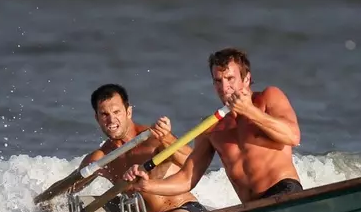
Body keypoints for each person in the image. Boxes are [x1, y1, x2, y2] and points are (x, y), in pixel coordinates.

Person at [123, 47, 303, 204]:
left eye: (230, 78)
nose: (224, 88)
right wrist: (147, 185)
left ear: (246, 79)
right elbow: (187, 179)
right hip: (251, 208)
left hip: (284, 192)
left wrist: (249, 111)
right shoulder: (211, 127)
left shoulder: (268, 98)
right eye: (218, 81)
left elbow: (292, 137)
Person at [71, 83, 210, 212]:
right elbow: (69, 188)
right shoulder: (101, 158)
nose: (111, 119)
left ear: (128, 112)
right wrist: (51, 208)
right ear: (97, 118)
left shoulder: (154, 139)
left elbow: (195, 162)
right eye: (104, 114)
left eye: (116, 112)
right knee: (82, 208)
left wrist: (167, 138)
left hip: (182, 210)